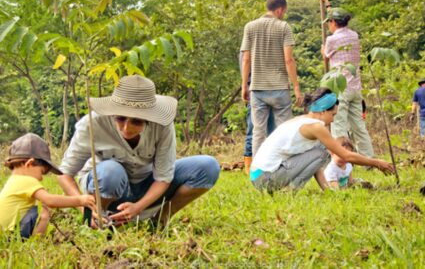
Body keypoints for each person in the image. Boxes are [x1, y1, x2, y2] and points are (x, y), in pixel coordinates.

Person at [58, 75, 220, 226]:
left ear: (149, 118)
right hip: (105, 185)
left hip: (146, 185)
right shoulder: (92, 124)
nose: (126, 128)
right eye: (120, 118)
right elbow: (64, 173)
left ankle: (160, 219)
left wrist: (139, 207)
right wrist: (84, 208)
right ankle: (101, 218)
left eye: (136, 121)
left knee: (208, 166)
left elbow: (163, 177)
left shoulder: (162, 125)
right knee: (111, 171)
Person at [250, 88, 395, 193]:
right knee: (322, 153)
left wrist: (327, 190)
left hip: (257, 176)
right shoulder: (316, 127)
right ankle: (289, 191)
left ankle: (290, 190)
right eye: (333, 114)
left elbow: (313, 164)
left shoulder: (301, 119)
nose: (333, 119)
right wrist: (377, 163)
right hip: (266, 178)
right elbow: (346, 155)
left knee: (319, 153)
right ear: (323, 111)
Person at [0, 133, 95, 238]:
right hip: (13, 234)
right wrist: (80, 200)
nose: (41, 178)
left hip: (6, 232)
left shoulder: (14, 180)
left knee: (39, 205)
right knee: (43, 210)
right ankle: (37, 239)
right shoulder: (27, 180)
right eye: (42, 172)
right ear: (29, 164)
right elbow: (50, 201)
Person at [240, 0, 302, 156]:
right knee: (284, 131)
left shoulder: (250, 27)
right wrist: (296, 88)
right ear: (280, 10)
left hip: (257, 88)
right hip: (280, 87)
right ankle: (283, 165)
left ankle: (257, 171)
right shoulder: (284, 27)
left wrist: (244, 86)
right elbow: (289, 60)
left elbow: (246, 59)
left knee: (258, 132)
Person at [319, 0, 374, 158]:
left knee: (339, 126)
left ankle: (340, 158)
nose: (328, 25)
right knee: (359, 126)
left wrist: (323, 49)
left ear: (334, 22)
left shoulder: (332, 40)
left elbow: (326, 55)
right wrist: (327, 2)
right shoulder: (354, 35)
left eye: (329, 22)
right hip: (356, 87)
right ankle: (367, 157)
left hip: (341, 88)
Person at [239, 52, 275, 175]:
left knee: (271, 130)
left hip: (269, 90)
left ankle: (268, 164)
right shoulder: (246, 51)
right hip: (254, 91)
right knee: (253, 129)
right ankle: (250, 166)